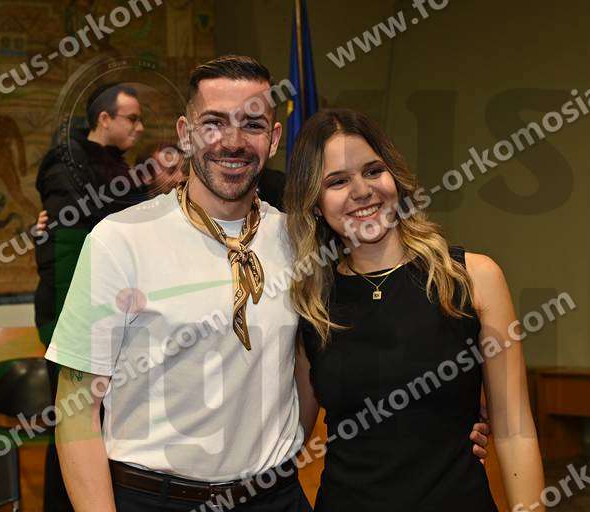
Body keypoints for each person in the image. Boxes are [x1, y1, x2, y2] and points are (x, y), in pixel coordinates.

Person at [45, 55, 489, 512]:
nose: (233, 141)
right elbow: (76, 410)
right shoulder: (120, 239)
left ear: (274, 139)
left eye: (253, 125)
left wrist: (452, 414)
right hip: (155, 500)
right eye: (214, 123)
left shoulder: (303, 242)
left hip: (276, 498)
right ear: (185, 134)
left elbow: (371, 339)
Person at [285, 108, 546, 511]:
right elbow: (289, 438)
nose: (362, 190)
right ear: (315, 204)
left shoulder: (472, 278)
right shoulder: (313, 303)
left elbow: (515, 431)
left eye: (373, 171)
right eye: (337, 181)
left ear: (395, 176)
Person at [34, 82, 146, 512]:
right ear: (104, 119)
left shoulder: (113, 164)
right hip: (77, 315)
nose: (139, 127)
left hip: (114, 315)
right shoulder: (68, 162)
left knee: (105, 420)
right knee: (75, 420)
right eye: (132, 118)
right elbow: (67, 245)